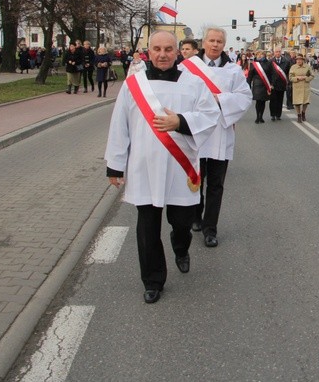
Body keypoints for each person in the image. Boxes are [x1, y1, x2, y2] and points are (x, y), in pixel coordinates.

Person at [105, 30, 219, 304]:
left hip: (180, 169)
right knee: (147, 227)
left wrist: (180, 121)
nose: (163, 54)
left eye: (168, 49)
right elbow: (119, 125)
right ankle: (153, 280)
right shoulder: (133, 85)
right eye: (157, 49)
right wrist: (115, 166)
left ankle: (181, 248)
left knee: (181, 223)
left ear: (177, 52)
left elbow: (210, 115)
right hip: (143, 168)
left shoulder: (193, 83)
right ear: (149, 51)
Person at [179, 26, 252, 247]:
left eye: (219, 41)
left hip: (221, 131)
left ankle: (211, 228)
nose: (215, 45)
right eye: (211, 40)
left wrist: (220, 99)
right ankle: (195, 216)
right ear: (204, 43)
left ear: (223, 44)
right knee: (196, 179)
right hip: (197, 131)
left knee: (216, 184)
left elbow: (244, 97)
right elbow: (179, 96)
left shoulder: (233, 70)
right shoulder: (188, 67)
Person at [247, 49, 273, 124]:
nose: (259, 56)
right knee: (258, 101)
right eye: (258, 54)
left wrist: (271, 84)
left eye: (261, 54)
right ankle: (257, 117)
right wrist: (248, 85)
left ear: (264, 55)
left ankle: (261, 116)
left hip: (265, 84)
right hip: (257, 85)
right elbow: (250, 76)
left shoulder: (268, 63)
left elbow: (271, 74)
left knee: (263, 101)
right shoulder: (254, 64)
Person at [289, 53, 314, 122]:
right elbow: (290, 77)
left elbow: (312, 75)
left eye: (300, 60)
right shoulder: (293, 67)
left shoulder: (307, 67)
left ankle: (303, 112)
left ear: (303, 60)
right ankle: (299, 115)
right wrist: (297, 78)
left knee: (305, 102)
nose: (298, 61)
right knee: (297, 102)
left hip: (305, 87)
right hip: (297, 87)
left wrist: (306, 78)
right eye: (297, 60)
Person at [268, 47, 290, 121]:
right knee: (273, 100)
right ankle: (273, 115)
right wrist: (270, 84)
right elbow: (269, 74)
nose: (278, 53)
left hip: (281, 84)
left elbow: (288, 73)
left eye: (279, 52)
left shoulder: (286, 61)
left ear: (281, 52)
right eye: (276, 52)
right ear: (274, 53)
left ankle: (278, 115)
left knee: (280, 100)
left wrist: (287, 82)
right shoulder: (271, 62)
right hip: (273, 84)